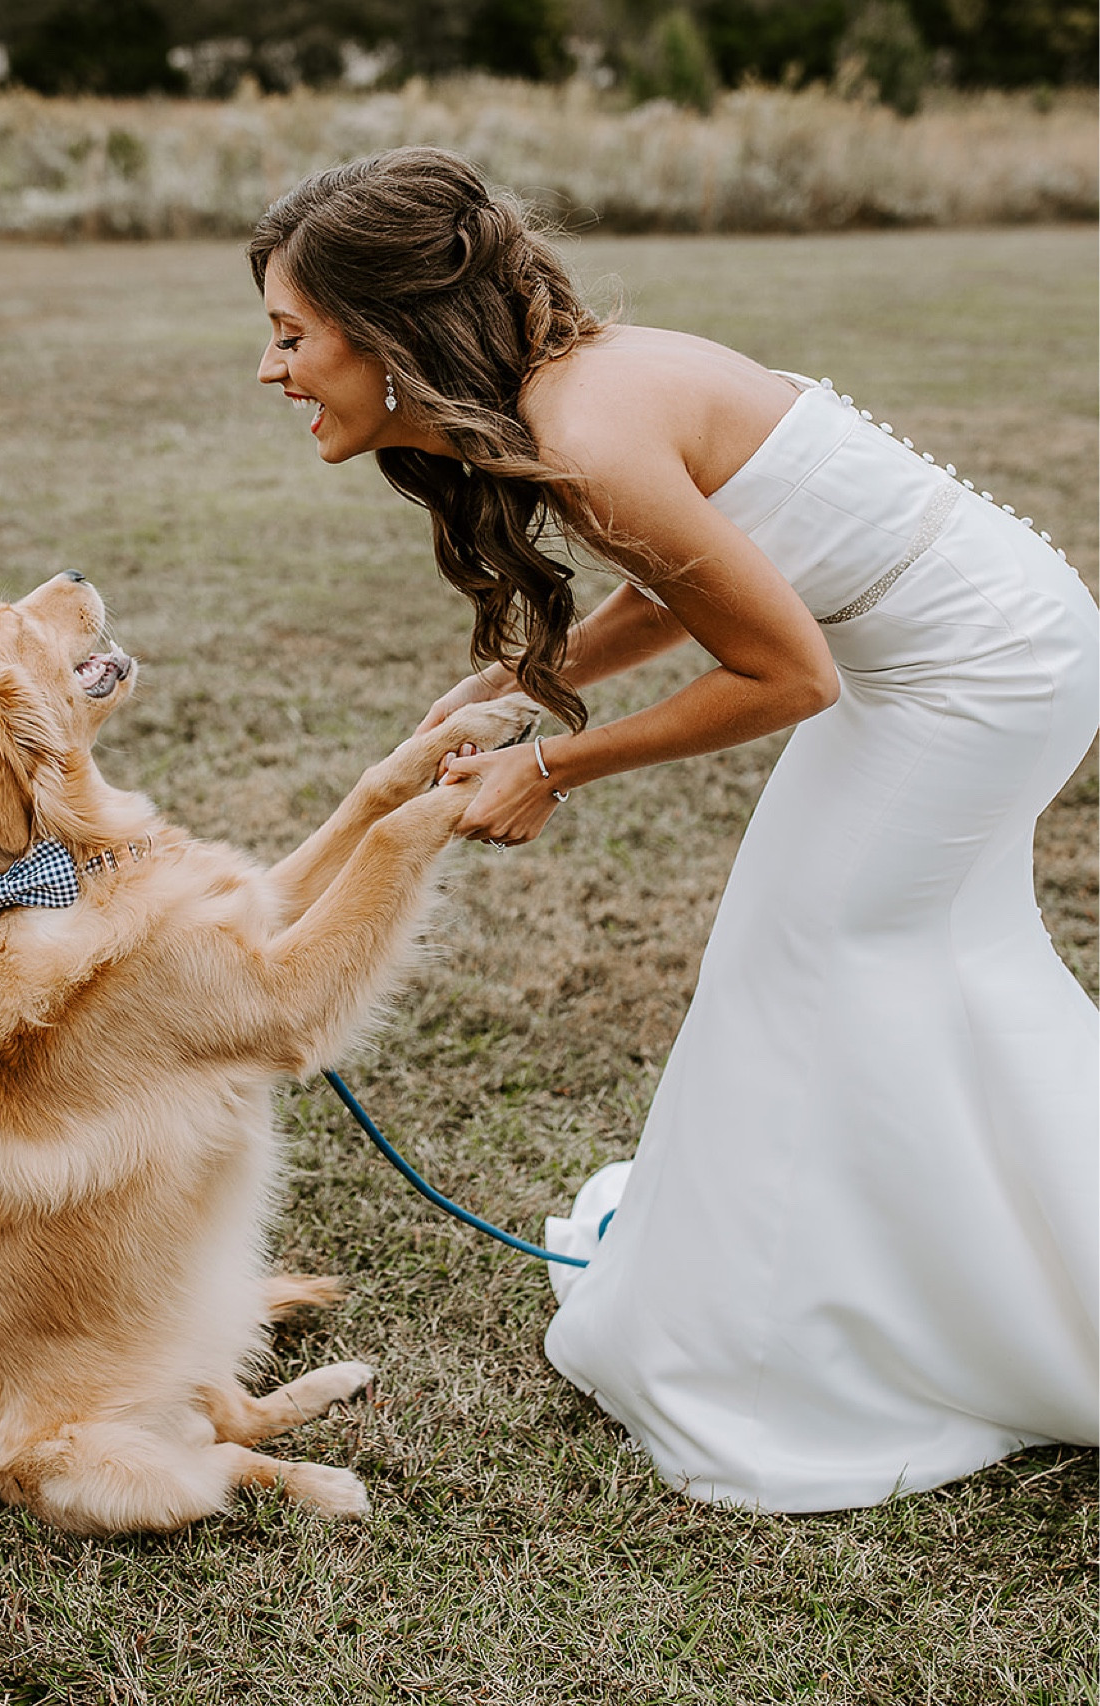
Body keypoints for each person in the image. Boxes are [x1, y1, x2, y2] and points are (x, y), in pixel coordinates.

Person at [249, 145, 1099, 1513]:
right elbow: (698, 569)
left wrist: (556, 766)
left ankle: (847, 1329)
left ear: (389, 331)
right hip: (966, 651)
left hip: (978, 677)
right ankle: (956, 1271)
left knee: (809, 961)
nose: (272, 369)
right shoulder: (566, 396)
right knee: (894, 964)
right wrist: (540, 677)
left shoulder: (584, 425)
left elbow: (787, 671)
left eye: (291, 335)